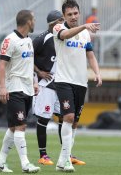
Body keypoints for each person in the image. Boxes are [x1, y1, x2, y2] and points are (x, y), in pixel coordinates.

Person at [52, 0, 102, 172]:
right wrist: (85, 26)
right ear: (64, 16)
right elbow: (65, 35)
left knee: (74, 123)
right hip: (64, 81)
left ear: (79, 13)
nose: (73, 16)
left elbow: (90, 55)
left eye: (75, 13)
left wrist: (97, 72)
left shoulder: (85, 34)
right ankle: (66, 160)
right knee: (68, 117)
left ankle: (62, 159)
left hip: (81, 82)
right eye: (69, 14)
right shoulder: (58, 28)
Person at [33, 10, 86, 166]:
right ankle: (43, 155)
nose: (63, 22)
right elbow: (28, 55)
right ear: (53, 23)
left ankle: (67, 155)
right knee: (44, 117)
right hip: (47, 85)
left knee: (65, 117)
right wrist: (38, 72)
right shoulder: (42, 39)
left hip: (62, 83)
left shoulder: (65, 36)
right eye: (60, 20)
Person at [0, 10, 40, 173]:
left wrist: (34, 82)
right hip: (14, 88)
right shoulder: (9, 40)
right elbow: (1, 66)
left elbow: (29, 64)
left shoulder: (28, 40)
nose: (35, 21)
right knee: (21, 126)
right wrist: (3, 87)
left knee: (14, 127)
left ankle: (0, 162)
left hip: (27, 88)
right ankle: (25, 164)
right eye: (33, 19)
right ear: (28, 22)